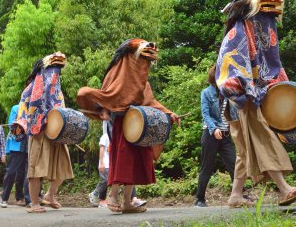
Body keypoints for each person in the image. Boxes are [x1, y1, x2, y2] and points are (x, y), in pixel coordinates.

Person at [216, 0, 296, 207]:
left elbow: (272, 65)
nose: (268, 22)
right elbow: (229, 68)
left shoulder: (260, 31)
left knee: (245, 149)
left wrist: (281, 89)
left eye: (270, 18)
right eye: (263, 17)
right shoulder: (238, 32)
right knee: (262, 138)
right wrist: (244, 90)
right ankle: (284, 189)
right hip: (243, 98)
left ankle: (236, 195)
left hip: (255, 95)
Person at [77, 38, 180, 213]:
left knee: (135, 161)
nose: (144, 65)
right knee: (123, 159)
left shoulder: (142, 82)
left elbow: (150, 101)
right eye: (142, 60)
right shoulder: (117, 73)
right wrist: (102, 109)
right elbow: (103, 95)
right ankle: (113, 195)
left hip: (139, 124)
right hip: (120, 123)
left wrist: (169, 113)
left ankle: (127, 202)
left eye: (147, 62)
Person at [13, 52, 74, 213]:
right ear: (46, 69)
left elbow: (60, 108)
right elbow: (25, 107)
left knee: (63, 165)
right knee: (36, 168)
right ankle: (33, 203)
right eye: (53, 68)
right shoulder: (32, 87)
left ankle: (49, 195)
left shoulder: (57, 89)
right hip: (38, 131)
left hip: (56, 131)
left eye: (58, 70)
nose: (55, 73)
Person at [194, 65, 237, 207]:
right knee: (207, 166)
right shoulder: (206, 93)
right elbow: (205, 114)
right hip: (210, 134)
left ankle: (239, 194)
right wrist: (214, 129)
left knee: (234, 163)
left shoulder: (227, 93)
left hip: (225, 135)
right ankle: (200, 199)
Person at [89, 121, 146, 208]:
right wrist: (101, 163)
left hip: (113, 165)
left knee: (128, 178)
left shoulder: (120, 137)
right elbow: (101, 148)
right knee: (106, 181)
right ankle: (95, 194)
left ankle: (133, 198)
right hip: (106, 164)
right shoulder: (105, 136)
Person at [0, 104, 29, 208]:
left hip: (30, 146)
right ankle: (4, 197)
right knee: (12, 171)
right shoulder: (16, 108)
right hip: (17, 145)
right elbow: (11, 126)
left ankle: (24, 198)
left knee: (27, 173)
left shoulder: (35, 109)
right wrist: (21, 125)